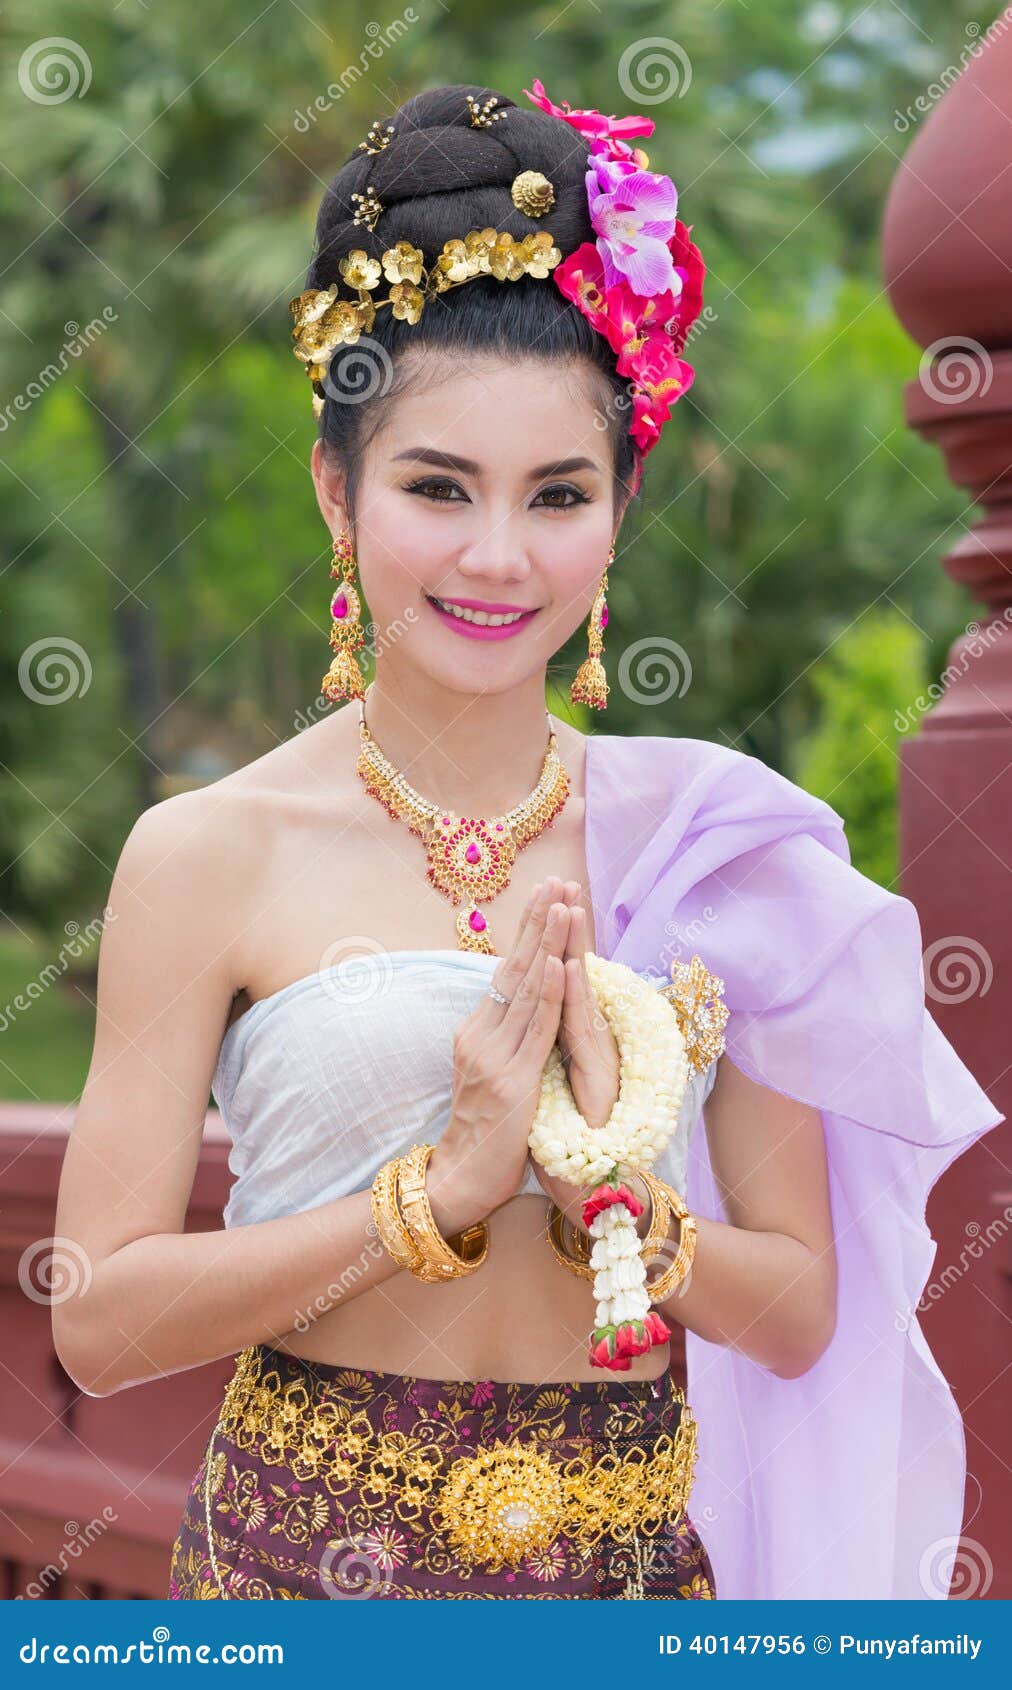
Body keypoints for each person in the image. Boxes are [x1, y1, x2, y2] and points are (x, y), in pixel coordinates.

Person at [51, 80, 1003, 1603]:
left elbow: (805, 1303)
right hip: (304, 1574)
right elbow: (97, 1317)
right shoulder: (209, 851)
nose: (499, 556)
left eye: (557, 494)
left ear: (619, 512)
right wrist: (437, 1189)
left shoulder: (708, 841)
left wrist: (618, 1207)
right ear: (335, 488)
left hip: (631, 1577)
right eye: (438, 487)